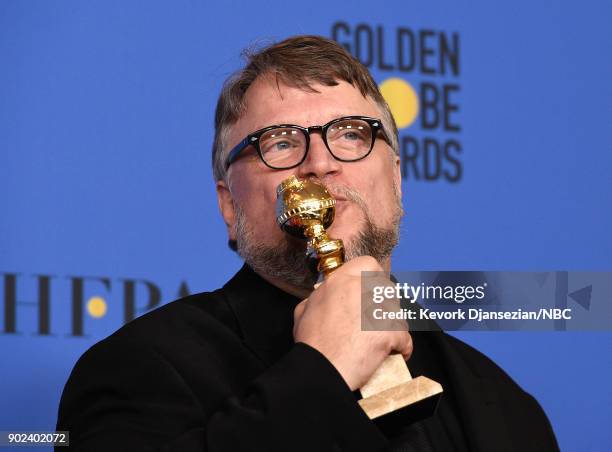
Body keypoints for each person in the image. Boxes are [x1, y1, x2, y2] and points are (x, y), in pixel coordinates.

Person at [56, 35, 559, 451]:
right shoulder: (136, 370)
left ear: (397, 181)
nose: (320, 163)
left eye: (351, 134)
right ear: (230, 205)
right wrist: (322, 373)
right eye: (279, 143)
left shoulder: (501, 404)